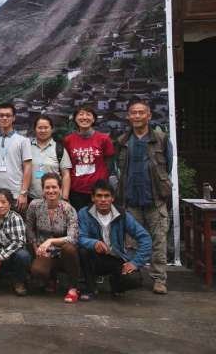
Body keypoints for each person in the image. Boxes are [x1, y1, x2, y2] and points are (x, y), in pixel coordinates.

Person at [116, 99, 173, 295]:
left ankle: (159, 279)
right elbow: (119, 170)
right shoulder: (123, 140)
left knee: (159, 240)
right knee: (131, 241)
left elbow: (167, 167)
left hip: (155, 199)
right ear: (128, 116)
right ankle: (133, 275)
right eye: (134, 113)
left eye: (141, 112)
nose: (137, 116)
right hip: (131, 200)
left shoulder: (161, 139)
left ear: (149, 115)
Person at [78, 180, 152, 300]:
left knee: (134, 279)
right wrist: (94, 243)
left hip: (115, 258)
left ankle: (115, 284)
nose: (103, 200)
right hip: (94, 257)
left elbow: (145, 238)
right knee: (82, 251)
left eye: (106, 196)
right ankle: (90, 288)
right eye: (99, 196)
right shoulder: (84, 213)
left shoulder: (123, 215)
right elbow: (79, 237)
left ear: (112, 198)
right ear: (93, 198)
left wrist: (135, 263)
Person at [25, 173, 80, 303]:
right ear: (42, 189)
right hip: (44, 250)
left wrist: (50, 241)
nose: (51, 191)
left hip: (63, 250)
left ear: (60, 188)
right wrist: (36, 248)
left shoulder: (68, 209)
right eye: (47, 187)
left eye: (54, 187)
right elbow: (29, 229)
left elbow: (73, 237)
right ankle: (51, 279)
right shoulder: (35, 205)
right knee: (38, 271)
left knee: (69, 249)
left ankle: (73, 288)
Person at [63, 105, 115, 213]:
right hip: (76, 190)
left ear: (94, 119)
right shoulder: (68, 140)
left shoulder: (104, 139)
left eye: (88, 114)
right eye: (81, 114)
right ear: (75, 119)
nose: (84, 117)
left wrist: (102, 181)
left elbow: (109, 164)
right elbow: (67, 165)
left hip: (98, 191)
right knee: (79, 219)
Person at [0, 103, 32, 212]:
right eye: (1, 115)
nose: (4, 118)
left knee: (16, 221)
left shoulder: (23, 140)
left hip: (16, 194)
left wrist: (23, 193)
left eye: (8, 115)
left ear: (13, 118)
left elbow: (28, 167)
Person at [29, 115, 72, 201]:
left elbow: (66, 175)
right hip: (31, 198)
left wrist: (65, 197)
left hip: (55, 199)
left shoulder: (59, 149)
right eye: (40, 128)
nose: (43, 130)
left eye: (46, 128)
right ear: (35, 129)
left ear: (52, 129)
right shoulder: (27, 147)